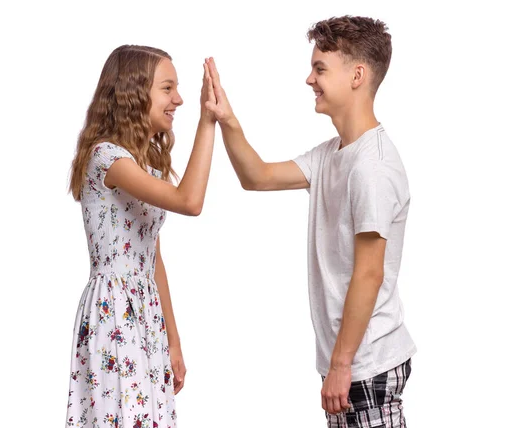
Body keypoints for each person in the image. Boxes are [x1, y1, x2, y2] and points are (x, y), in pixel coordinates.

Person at [204, 16, 416, 427]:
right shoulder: (332, 154)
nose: (309, 79)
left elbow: (369, 273)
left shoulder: (372, 167)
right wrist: (227, 119)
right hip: (348, 361)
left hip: (365, 361)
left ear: (357, 75)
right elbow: (257, 176)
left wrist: (341, 364)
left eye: (320, 69)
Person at [66, 45, 217, 428]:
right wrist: (208, 121)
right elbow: (190, 201)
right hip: (114, 309)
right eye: (168, 88)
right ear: (135, 92)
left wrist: (174, 341)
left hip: (145, 310)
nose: (178, 99)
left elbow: (154, 259)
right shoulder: (108, 159)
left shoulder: (142, 164)